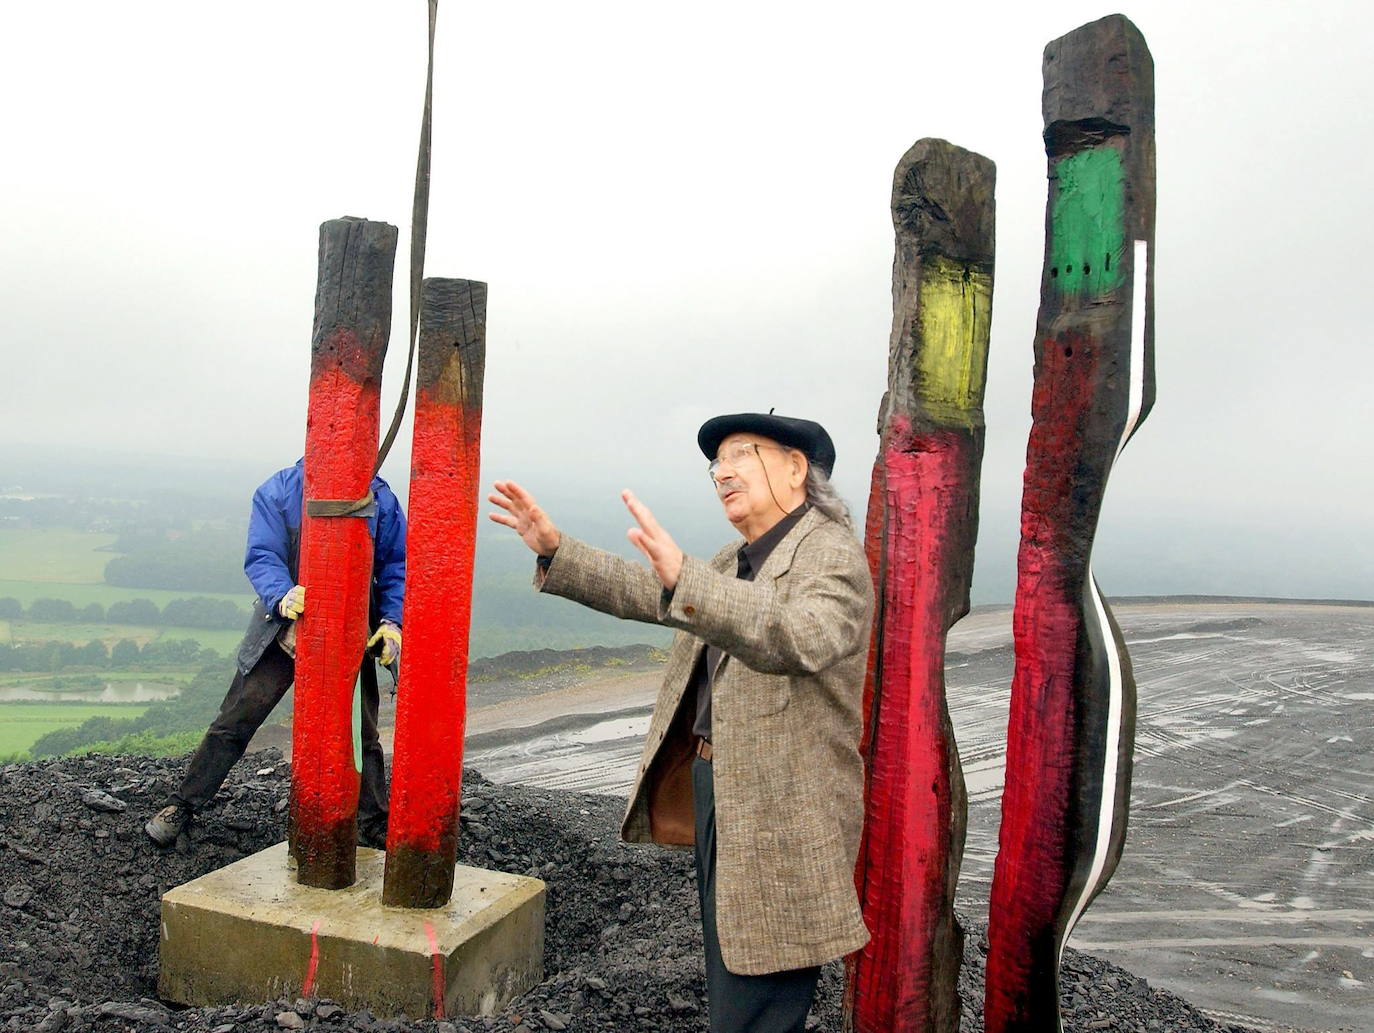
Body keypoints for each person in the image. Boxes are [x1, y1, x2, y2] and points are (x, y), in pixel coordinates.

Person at [488, 412, 872, 1033]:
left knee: (758, 991)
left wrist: (687, 580)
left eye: (742, 454)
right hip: (718, 787)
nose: (723, 472)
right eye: (717, 463)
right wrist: (557, 550)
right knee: (734, 968)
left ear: (796, 468)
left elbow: (802, 635)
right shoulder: (734, 559)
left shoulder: (829, 554)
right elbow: (651, 591)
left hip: (782, 810)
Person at [145, 459, 406, 849]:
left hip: (349, 629)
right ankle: (183, 805)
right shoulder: (281, 490)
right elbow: (263, 554)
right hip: (285, 625)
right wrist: (281, 595)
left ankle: (372, 822)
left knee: (361, 731)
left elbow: (396, 564)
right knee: (238, 716)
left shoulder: (379, 497)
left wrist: (391, 622)